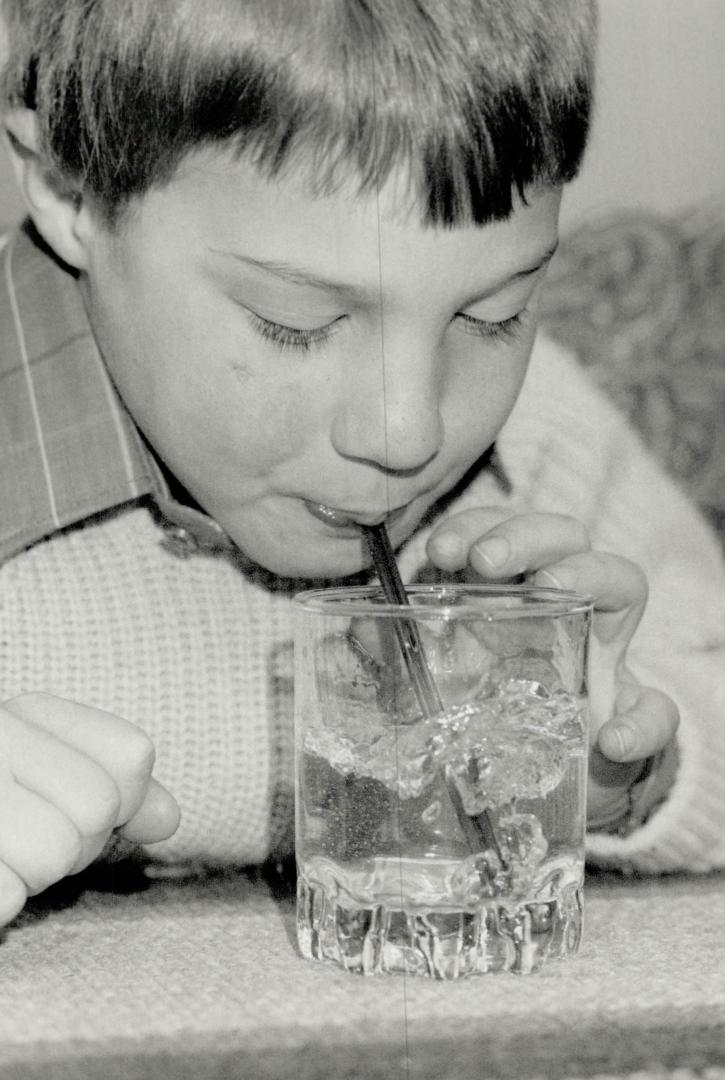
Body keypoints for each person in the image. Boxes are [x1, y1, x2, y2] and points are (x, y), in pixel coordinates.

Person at [0, 0, 722, 930]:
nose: (407, 429)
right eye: (297, 323)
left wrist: (620, 775)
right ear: (69, 191)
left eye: (491, 314)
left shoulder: (542, 431)